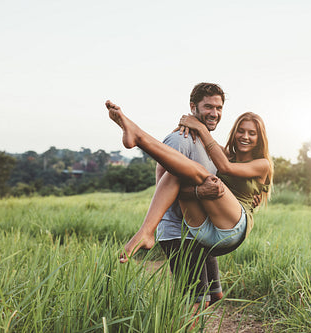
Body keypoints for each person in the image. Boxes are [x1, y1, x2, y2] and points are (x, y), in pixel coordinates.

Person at [105, 96, 273, 257]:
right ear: (234, 133)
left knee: (205, 176)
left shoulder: (262, 163)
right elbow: (186, 153)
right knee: (178, 172)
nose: (245, 137)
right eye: (241, 131)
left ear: (260, 138)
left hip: (232, 230)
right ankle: (146, 231)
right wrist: (185, 127)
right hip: (203, 230)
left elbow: (225, 167)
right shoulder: (225, 153)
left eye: (252, 133)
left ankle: (139, 137)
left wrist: (200, 127)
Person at [119, 83, 228, 306]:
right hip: (179, 232)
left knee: (214, 295)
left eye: (218, 108)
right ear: (193, 107)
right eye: (208, 107)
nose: (214, 113)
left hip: (201, 231)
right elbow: (164, 185)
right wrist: (199, 192)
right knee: (195, 302)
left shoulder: (208, 144)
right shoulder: (180, 140)